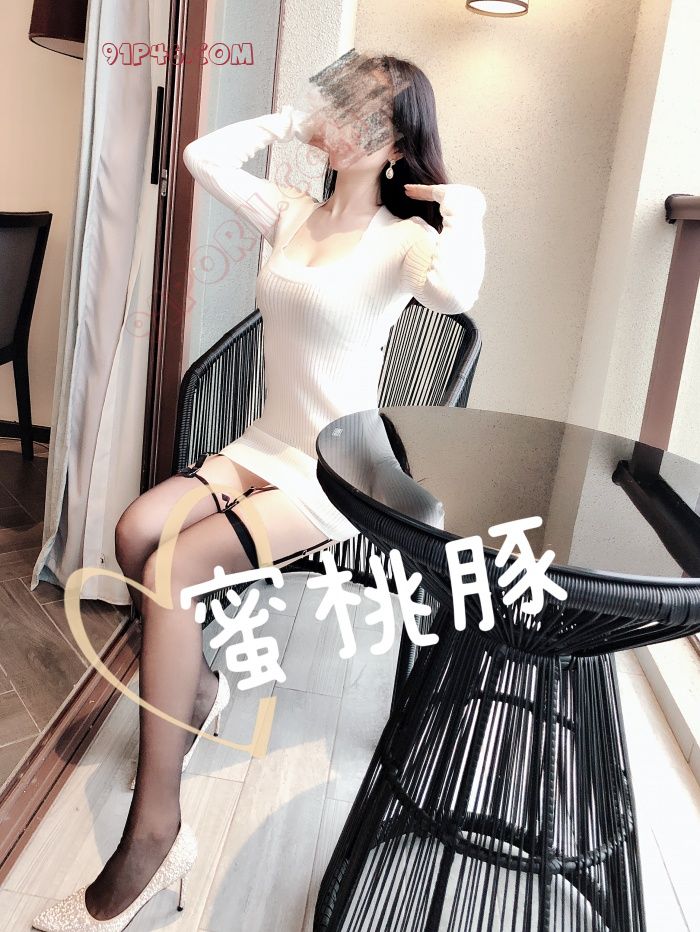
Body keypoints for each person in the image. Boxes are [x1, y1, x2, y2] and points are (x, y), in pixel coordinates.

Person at [32, 50, 487, 931]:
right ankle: (200, 692)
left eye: (372, 114)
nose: (349, 122)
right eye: (345, 103)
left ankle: (155, 837)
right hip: (262, 445)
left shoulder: (402, 241)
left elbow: (457, 290)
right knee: (135, 533)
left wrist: (466, 207)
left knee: (173, 571)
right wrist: (289, 120)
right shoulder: (291, 213)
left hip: (334, 469)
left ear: (398, 142)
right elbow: (201, 156)